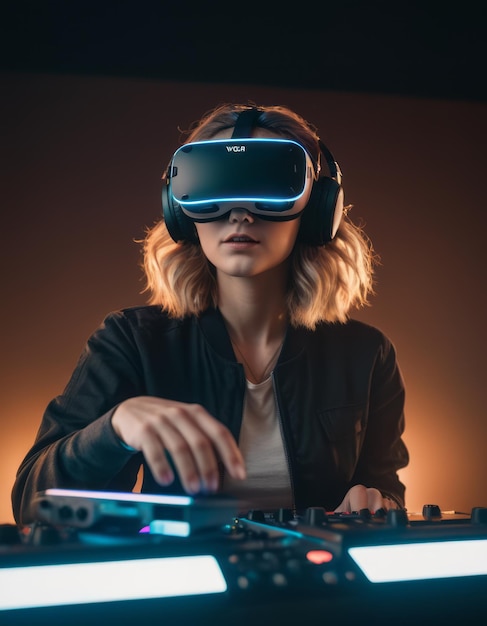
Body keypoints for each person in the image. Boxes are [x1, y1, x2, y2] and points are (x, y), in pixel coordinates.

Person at [11, 103, 409, 526]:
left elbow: (383, 488)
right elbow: (32, 506)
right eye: (215, 188)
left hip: (321, 583)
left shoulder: (367, 354)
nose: (240, 214)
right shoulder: (130, 341)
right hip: (182, 582)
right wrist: (113, 430)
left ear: (317, 208)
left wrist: (375, 498)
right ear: (179, 211)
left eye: (268, 185)